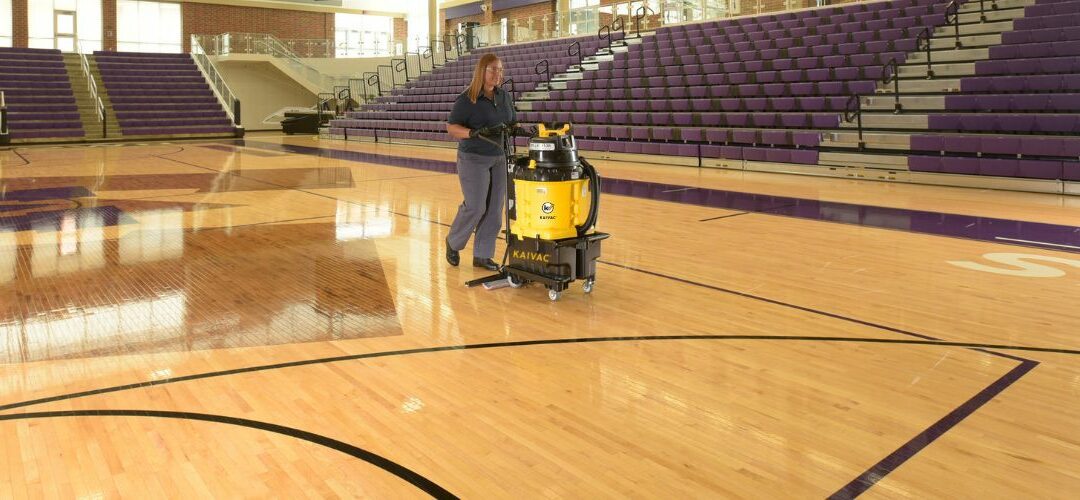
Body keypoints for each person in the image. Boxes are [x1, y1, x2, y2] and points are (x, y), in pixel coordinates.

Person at [444, 53, 516, 271]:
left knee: (495, 209)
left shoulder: (504, 97)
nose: (497, 74)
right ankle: (453, 242)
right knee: (476, 206)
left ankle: (482, 255)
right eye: (493, 69)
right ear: (482, 71)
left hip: (499, 156)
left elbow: (511, 121)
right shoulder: (467, 99)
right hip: (473, 158)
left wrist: (514, 128)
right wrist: (473, 132)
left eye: (500, 69)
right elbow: (452, 127)